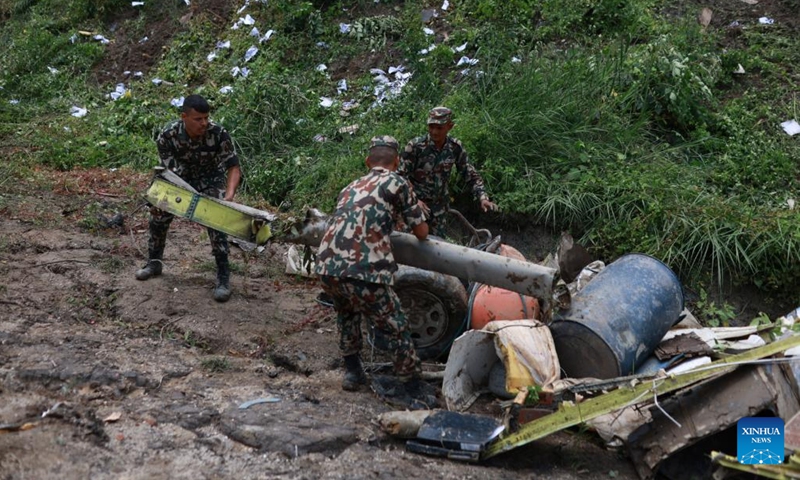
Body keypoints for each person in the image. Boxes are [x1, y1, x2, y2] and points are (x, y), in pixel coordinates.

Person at [314, 135, 429, 395]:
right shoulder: (398, 182)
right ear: (397, 161)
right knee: (395, 325)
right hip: (364, 269)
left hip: (327, 266)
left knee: (347, 313)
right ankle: (412, 388)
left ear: (367, 161)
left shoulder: (350, 186)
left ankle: (353, 372)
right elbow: (421, 231)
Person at [135, 94, 242, 303]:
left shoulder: (219, 134)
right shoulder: (168, 136)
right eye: (198, 119)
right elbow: (168, 172)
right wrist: (158, 199)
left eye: (206, 118)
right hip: (179, 179)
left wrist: (228, 197)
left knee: (216, 218)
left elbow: (234, 167)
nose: (204, 123)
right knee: (158, 213)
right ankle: (154, 261)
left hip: (210, 179)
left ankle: (223, 276)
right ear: (184, 117)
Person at [399, 106, 497, 237]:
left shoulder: (454, 147)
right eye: (431, 126)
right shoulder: (415, 147)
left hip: (439, 211)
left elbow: (469, 173)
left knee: (437, 248)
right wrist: (414, 200)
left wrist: (482, 197)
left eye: (439, 128)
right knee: (410, 246)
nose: (434, 132)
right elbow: (399, 176)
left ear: (449, 126)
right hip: (415, 208)